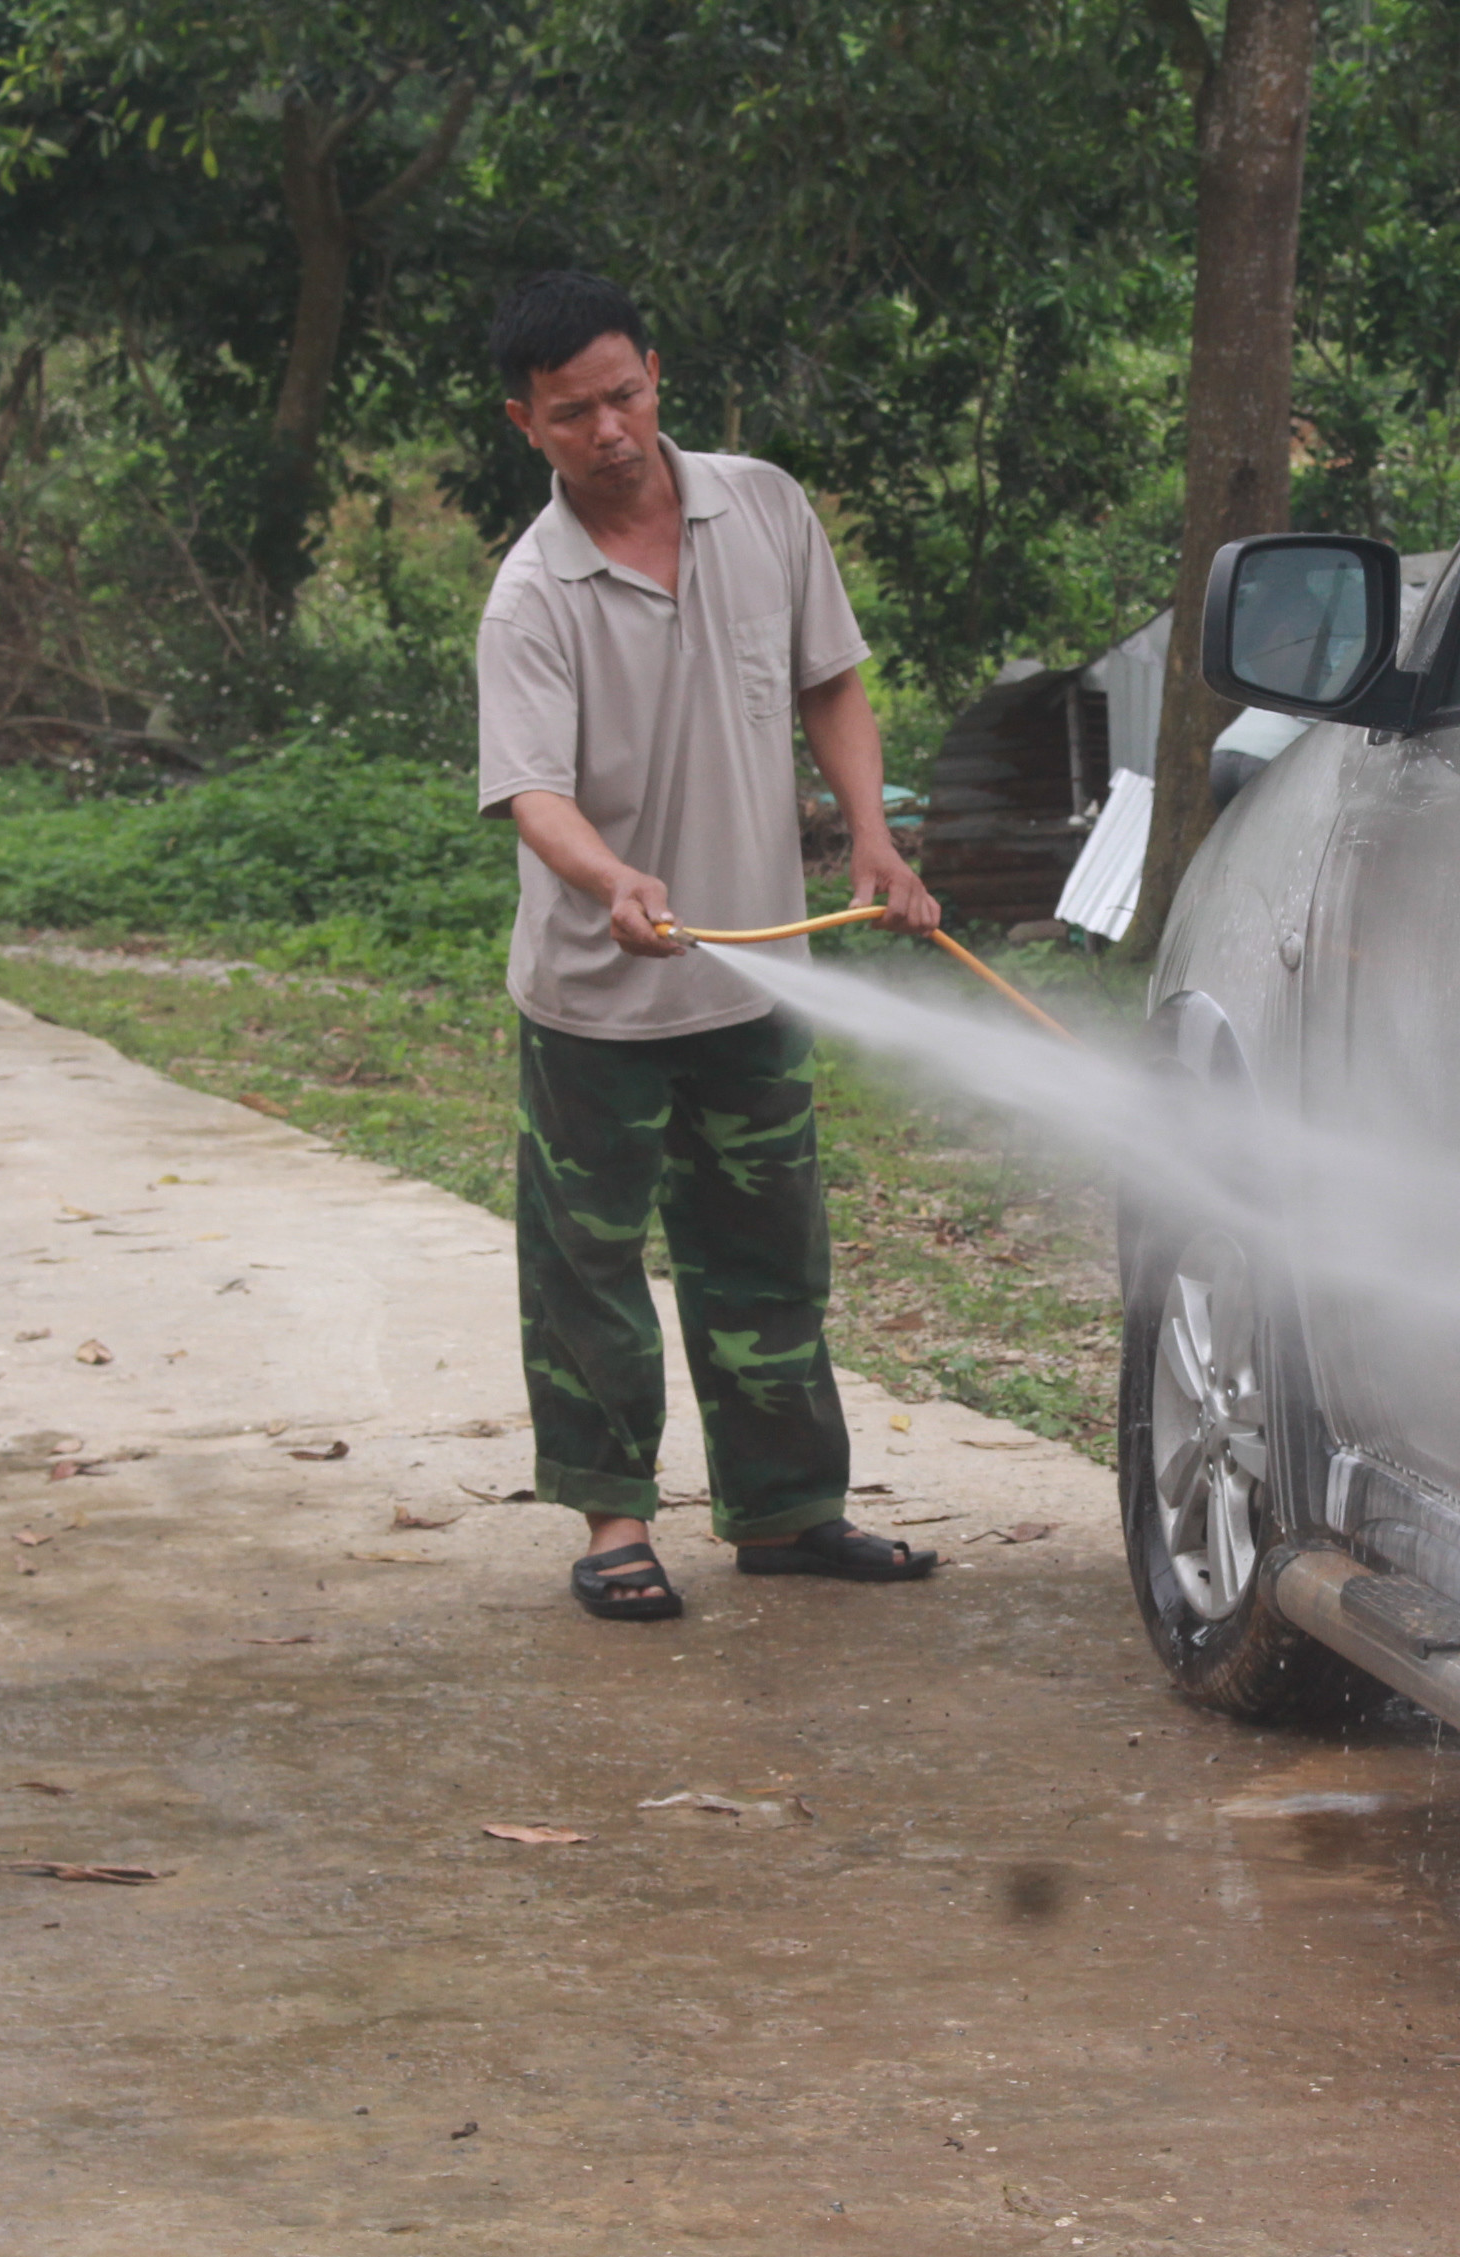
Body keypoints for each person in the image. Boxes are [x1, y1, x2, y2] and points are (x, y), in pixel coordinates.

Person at [475, 270, 942, 1621]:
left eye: (624, 395)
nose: (609, 430)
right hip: (596, 997)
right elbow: (531, 793)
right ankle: (616, 1525)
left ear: (655, 376)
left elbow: (829, 678)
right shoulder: (532, 596)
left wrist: (871, 833)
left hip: (756, 970)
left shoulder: (764, 505)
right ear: (529, 426)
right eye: (574, 414)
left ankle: (790, 1514)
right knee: (589, 1268)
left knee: (767, 1253)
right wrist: (611, 877)